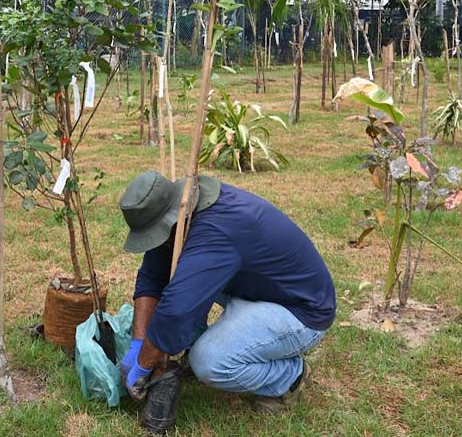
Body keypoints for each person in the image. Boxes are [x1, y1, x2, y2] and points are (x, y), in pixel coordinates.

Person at [117, 170, 335, 413]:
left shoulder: (214, 232)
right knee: (177, 279)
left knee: (209, 362)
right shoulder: (183, 212)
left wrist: (142, 365)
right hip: (257, 287)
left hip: (300, 310)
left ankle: (289, 377)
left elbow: (176, 312)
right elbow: (152, 277)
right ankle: (215, 340)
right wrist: (138, 343)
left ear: (168, 218)